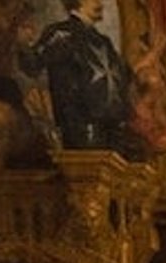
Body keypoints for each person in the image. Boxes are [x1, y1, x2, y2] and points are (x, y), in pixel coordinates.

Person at [31, 0, 127, 153]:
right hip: (80, 129)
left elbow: (122, 80)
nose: (100, 4)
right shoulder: (61, 34)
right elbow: (32, 66)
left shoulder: (104, 43)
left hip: (111, 131)